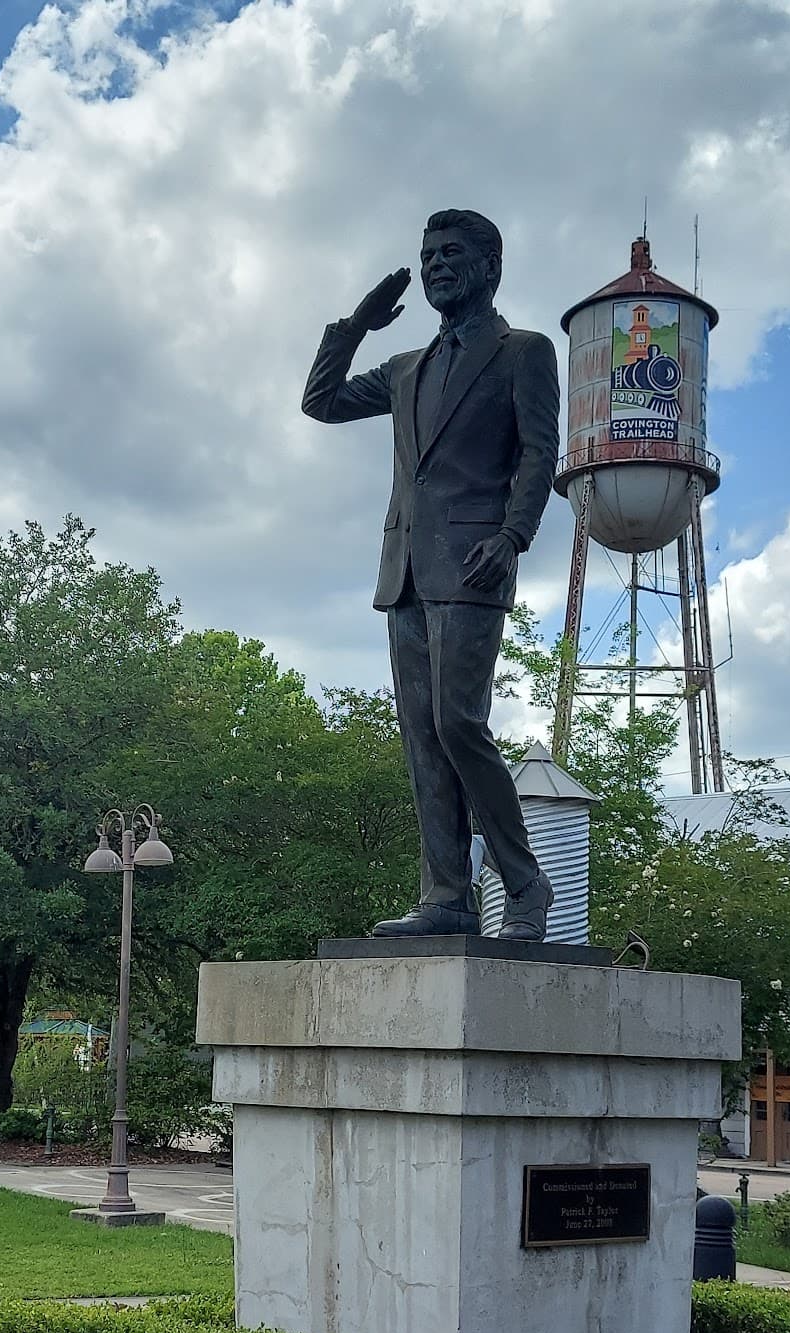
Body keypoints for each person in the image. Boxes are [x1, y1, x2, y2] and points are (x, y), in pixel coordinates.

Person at [302, 208, 560, 939]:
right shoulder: (405, 368)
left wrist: (514, 537)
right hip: (407, 571)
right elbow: (319, 403)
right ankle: (447, 897)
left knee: (457, 722)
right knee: (421, 737)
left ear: (490, 266)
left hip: (476, 564)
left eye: (451, 253)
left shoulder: (523, 353)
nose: (435, 265)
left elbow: (540, 455)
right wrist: (355, 325)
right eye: (427, 256)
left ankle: (524, 883)